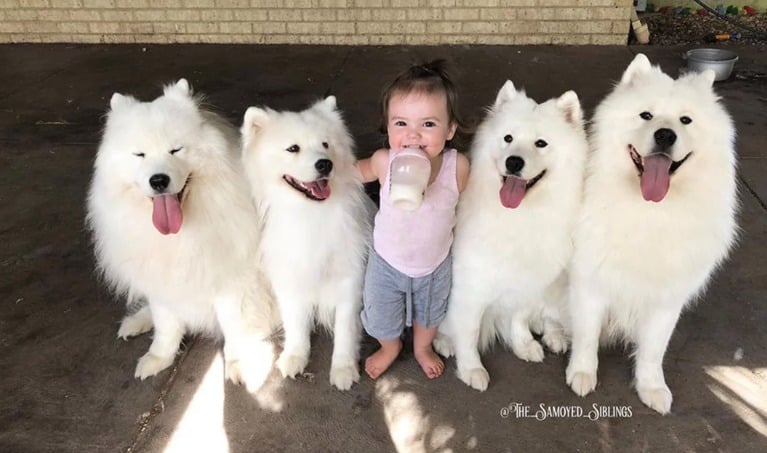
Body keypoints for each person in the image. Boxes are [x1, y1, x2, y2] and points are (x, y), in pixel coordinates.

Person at [356, 59, 470, 379]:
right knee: (381, 314)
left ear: (450, 129)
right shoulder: (383, 162)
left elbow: (474, 200)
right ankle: (389, 346)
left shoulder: (456, 167)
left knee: (429, 316)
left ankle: (421, 348)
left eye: (428, 125)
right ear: (388, 127)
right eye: (401, 123)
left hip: (433, 265)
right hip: (387, 261)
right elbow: (353, 173)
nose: (413, 136)